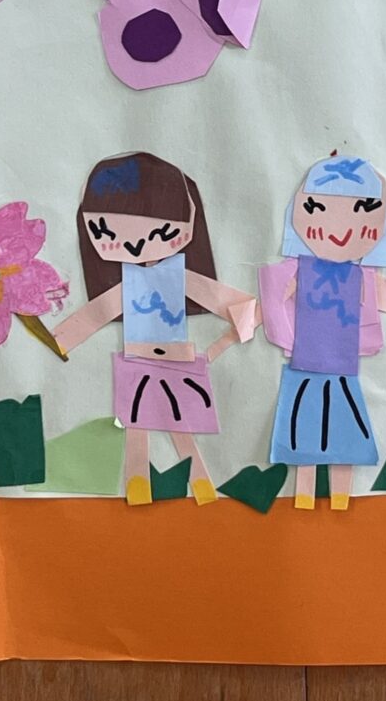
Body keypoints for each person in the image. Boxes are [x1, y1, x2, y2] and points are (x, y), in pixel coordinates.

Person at [259, 153, 386, 510]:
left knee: (345, 432)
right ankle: (304, 498)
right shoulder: (297, 271)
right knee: (304, 431)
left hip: (343, 369)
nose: (340, 229)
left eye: (364, 213)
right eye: (318, 209)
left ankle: (341, 499)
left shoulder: (361, 277)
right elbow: (270, 302)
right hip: (305, 366)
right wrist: (272, 332)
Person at [53, 152, 257, 505]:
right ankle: (141, 493)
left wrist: (227, 339)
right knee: (138, 429)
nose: (134, 244)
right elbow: (97, 313)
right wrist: (59, 341)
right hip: (137, 361)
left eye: (161, 231)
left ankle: (202, 489)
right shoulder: (130, 282)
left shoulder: (178, 277)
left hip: (176, 360)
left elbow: (238, 306)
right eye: (107, 231)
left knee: (182, 427)